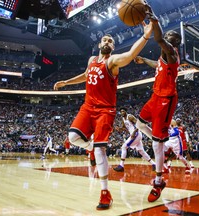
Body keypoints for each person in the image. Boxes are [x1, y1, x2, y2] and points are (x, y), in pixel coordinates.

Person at [53, 21, 153, 210]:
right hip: (88, 106)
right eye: (104, 39)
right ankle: (89, 147)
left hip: (105, 111)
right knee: (72, 137)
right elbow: (85, 74)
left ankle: (105, 192)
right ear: (100, 44)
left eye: (111, 40)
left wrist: (146, 35)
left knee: (100, 150)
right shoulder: (92, 60)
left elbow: (131, 54)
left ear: (113, 47)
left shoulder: (112, 61)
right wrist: (66, 82)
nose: (107, 41)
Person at [134, 9, 181, 202]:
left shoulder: (172, 53)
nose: (166, 37)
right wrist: (144, 60)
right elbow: (157, 65)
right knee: (138, 124)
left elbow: (160, 39)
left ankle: (159, 180)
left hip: (166, 100)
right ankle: (159, 138)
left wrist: (154, 19)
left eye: (170, 36)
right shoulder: (163, 58)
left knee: (155, 143)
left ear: (174, 42)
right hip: (155, 97)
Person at [113, 107, 156, 172]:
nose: (122, 112)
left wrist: (134, 132)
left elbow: (139, 124)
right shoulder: (123, 119)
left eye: (123, 111)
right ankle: (154, 164)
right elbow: (125, 128)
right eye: (121, 111)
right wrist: (119, 129)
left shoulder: (130, 116)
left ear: (126, 111)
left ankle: (121, 166)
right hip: (133, 135)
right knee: (141, 151)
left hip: (136, 134)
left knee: (124, 147)